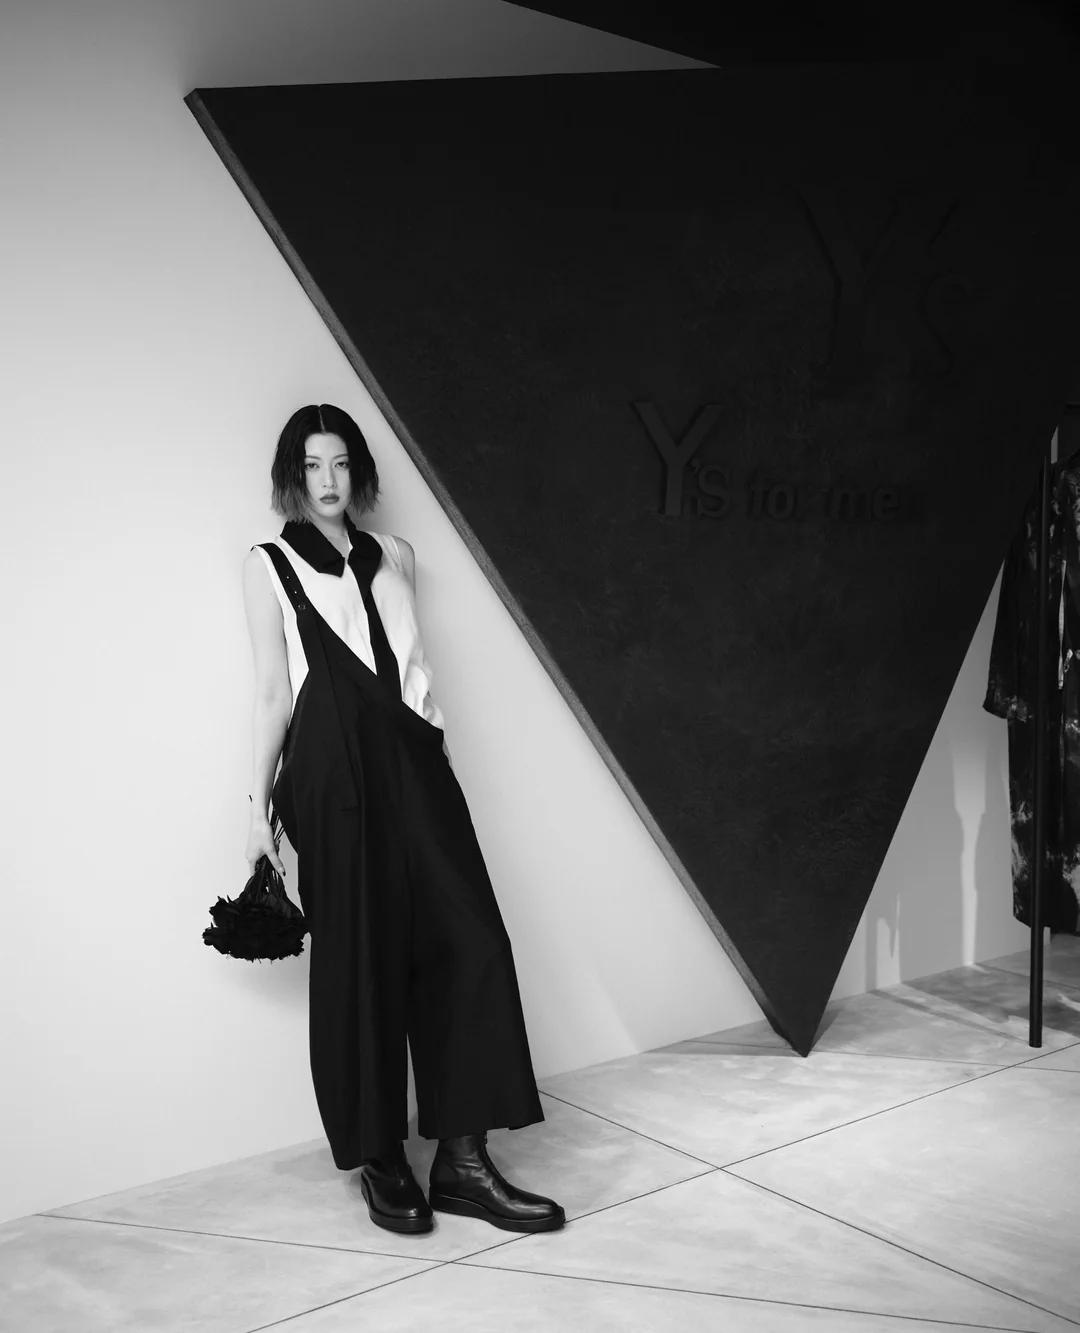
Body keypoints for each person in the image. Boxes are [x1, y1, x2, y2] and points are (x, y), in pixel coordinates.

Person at [241, 403, 564, 1236]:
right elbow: (274, 693)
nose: (327, 480)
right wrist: (254, 808)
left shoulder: (399, 557)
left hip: (417, 762)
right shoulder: (269, 564)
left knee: (470, 942)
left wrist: (436, 756)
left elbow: (417, 668)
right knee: (360, 960)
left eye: (340, 462)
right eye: (311, 465)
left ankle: (463, 1159)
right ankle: (380, 1157)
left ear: (359, 470)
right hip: (334, 776)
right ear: (291, 475)